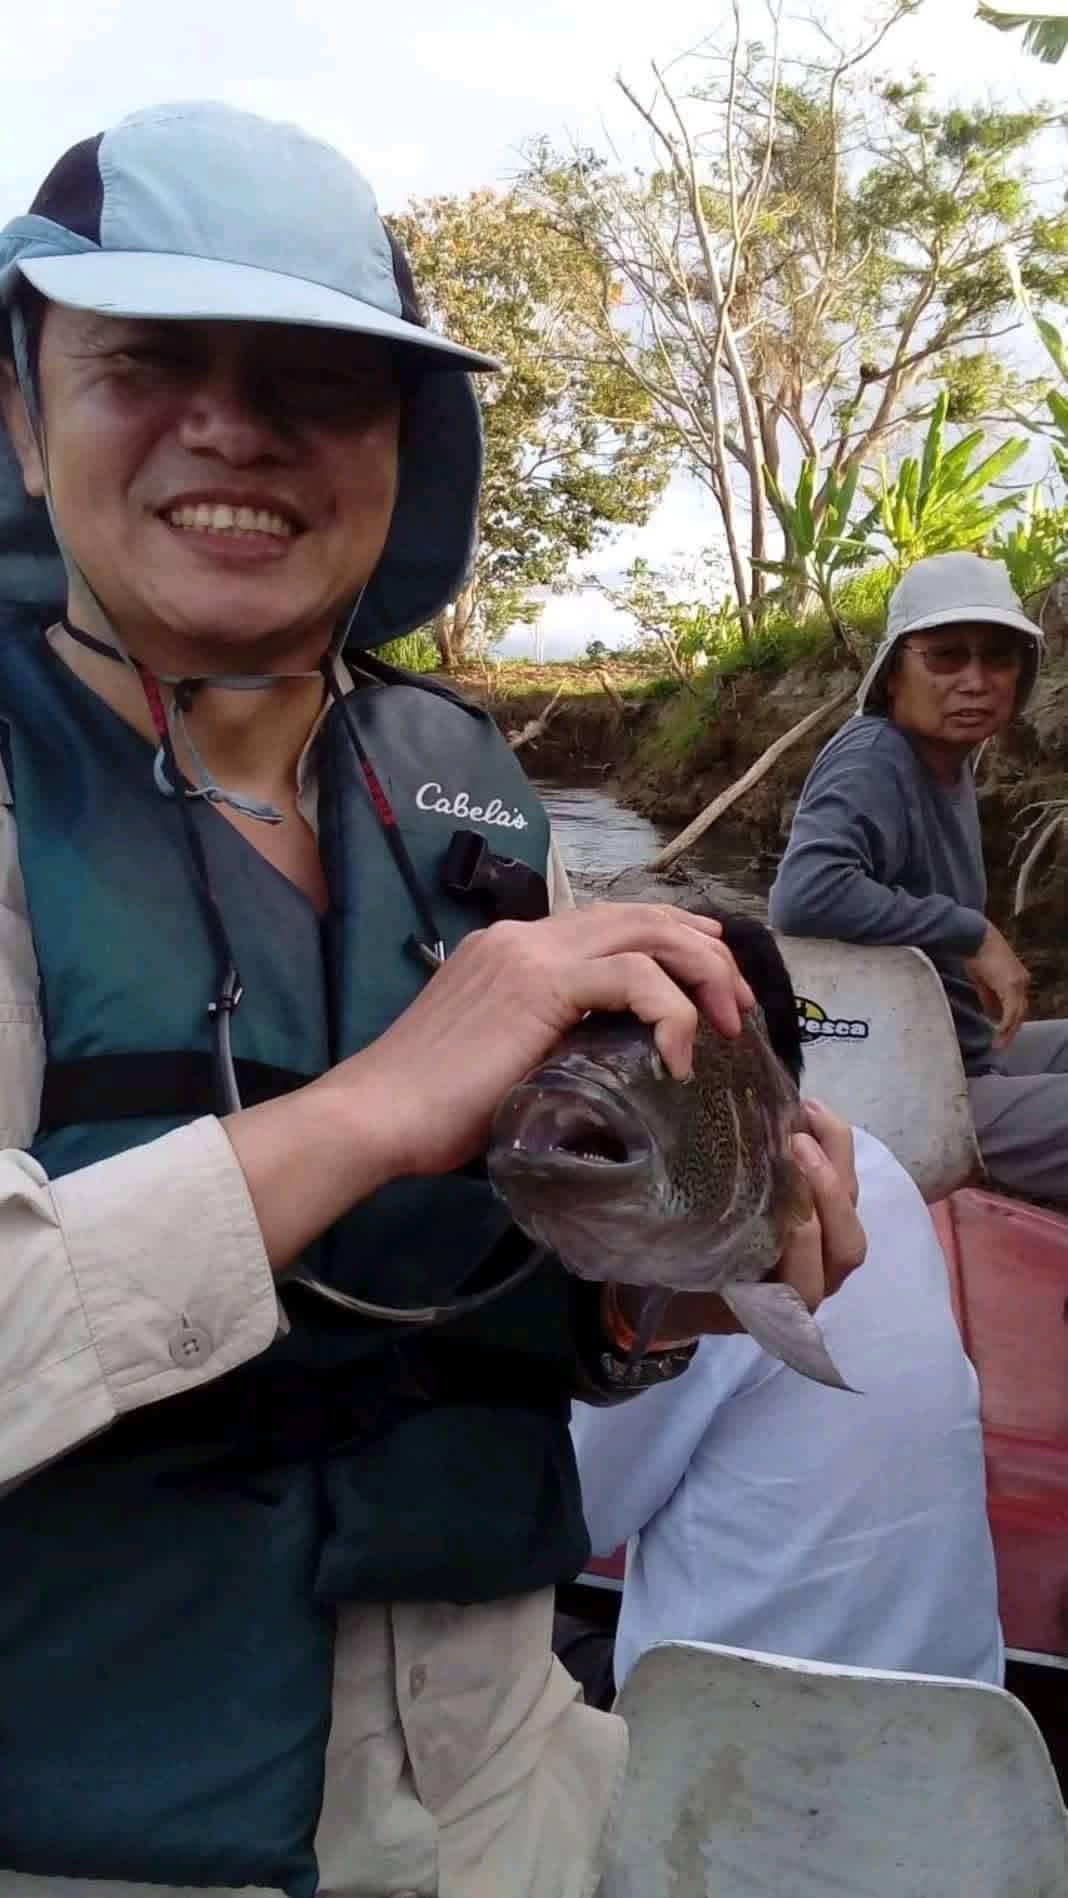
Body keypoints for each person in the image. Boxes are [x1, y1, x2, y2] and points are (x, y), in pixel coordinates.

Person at [0, 104, 867, 1898]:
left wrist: (680, 1268)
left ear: (403, 441)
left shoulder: (465, 796)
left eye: (315, 377)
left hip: (505, 1804)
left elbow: (527, 1305)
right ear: (20, 407)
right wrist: (368, 1108)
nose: (231, 425)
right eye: (147, 360)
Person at [563, 915, 1003, 1705]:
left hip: (736, 1753)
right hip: (966, 1733)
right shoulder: (877, 1169)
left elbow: (575, 1519)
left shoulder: (702, 1242)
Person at [769, 551, 1068, 1208]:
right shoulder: (875, 755)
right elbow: (805, 893)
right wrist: (971, 933)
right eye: (946, 657)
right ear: (894, 672)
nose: (975, 680)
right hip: (911, 1088)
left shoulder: (949, 760)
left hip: (954, 1052)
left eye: (997, 658)